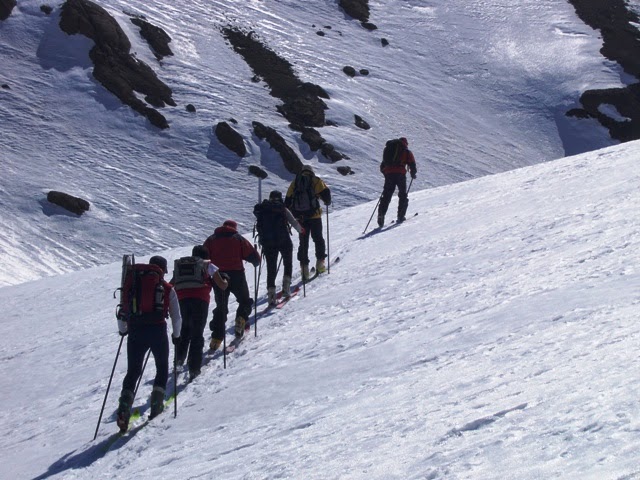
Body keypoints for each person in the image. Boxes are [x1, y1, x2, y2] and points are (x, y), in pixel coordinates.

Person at [116, 255, 182, 432]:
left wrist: (123, 330)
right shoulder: (167, 288)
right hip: (157, 330)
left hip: (136, 330)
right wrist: (176, 336)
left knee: (133, 372)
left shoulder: (132, 283)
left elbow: (122, 310)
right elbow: (177, 317)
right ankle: (156, 405)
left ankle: (124, 409)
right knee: (161, 368)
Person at [172, 245, 228, 381]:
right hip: (200, 301)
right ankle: (194, 368)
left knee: (184, 331)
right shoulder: (208, 265)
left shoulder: (182, 266)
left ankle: (178, 361)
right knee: (197, 333)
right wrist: (226, 279)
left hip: (182, 300)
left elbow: (172, 283)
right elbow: (222, 285)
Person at [203, 220, 261, 349]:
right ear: (234, 228)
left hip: (218, 276)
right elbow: (254, 257)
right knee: (245, 301)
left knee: (221, 307)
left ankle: (216, 338)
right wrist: (256, 261)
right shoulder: (238, 239)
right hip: (237, 275)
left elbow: (203, 257)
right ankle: (241, 319)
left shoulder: (211, 239)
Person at [254, 190, 304, 305]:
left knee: (271, 268)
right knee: (288, 262)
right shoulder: (282, 208)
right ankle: (286, 288)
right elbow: (293, 221)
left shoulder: (262, 209)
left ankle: (271, 295)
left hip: (267, 243)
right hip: (283, 240)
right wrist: (301, 230)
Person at [285, 165, 331, 280]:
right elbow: (326, 196)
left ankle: (304, 268)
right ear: (311, 172)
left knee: (303, 242)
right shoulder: (316, 181)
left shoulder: (295, 182)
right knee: (318, 239)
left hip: (300, 218)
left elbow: (287, 201)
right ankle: (320, 264)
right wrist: (326, 201)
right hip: (315, 216)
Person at [378, 137, 417, 226]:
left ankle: (381, 213)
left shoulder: (389, 151)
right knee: (403, 194)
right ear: (405, 143)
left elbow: (382, 167)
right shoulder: (406, 152)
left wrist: (387, 174)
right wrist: (413, 173)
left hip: (389, 175)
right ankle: (401, 215)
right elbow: (412, 163)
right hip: (400, 174)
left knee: (387, 195)